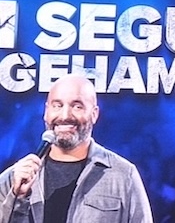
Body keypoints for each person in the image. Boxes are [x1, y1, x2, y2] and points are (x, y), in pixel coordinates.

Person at [0, 74, 152, 223]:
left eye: (77, 106)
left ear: (94, 114)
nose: (65, 115)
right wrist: (18, 198)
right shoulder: (13, 179)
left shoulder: (123, 175)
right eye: (57, 106)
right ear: (46, 112)